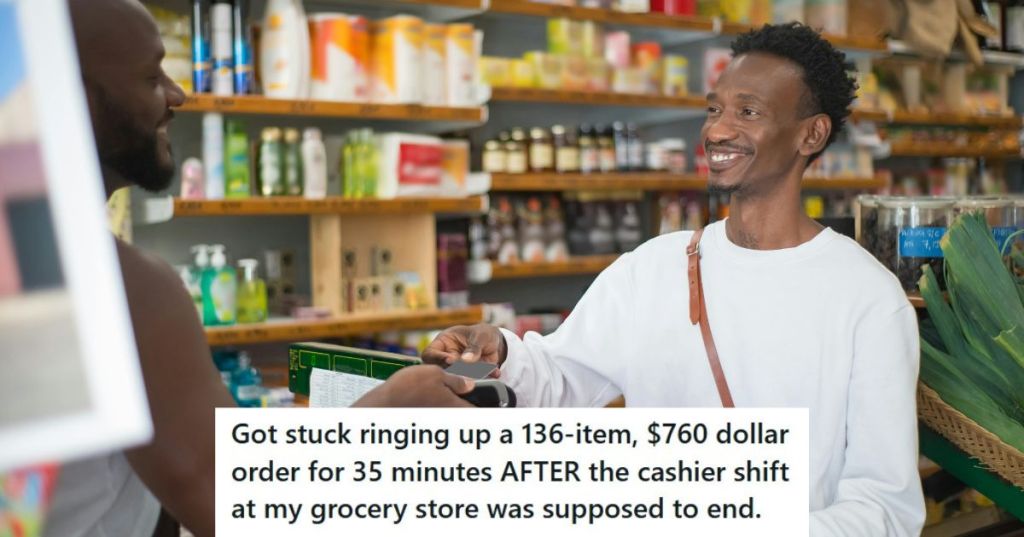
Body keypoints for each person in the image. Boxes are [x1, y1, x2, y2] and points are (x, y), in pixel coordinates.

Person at [424, 23, 925, 536]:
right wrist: (500, 357)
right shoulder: (653, 268)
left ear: (810, 134)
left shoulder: (867, 299)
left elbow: (885, 511)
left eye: (748, 112)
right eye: (714, 110)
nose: (718, 131)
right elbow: (560, 381)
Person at [46, 1, 474, 536]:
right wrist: (391, 405)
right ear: (74, 97)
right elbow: (239, 503)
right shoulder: (119, 286)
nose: (176, 95)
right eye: (150, 75)